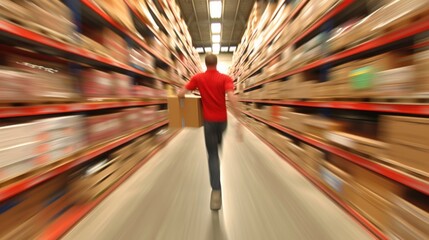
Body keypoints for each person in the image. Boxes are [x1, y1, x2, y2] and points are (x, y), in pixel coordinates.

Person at [178, 54, 241, 211]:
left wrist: (185, 105)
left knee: (212, 156)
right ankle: (217, 148)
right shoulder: (226, 78)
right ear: (217, 63)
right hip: (223, 122)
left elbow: (181, 93)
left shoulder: (198, 78)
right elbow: (232, 97)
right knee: (217, 148)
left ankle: (216, 192)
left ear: (205, 63)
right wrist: (239, 118)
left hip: (209, 123)